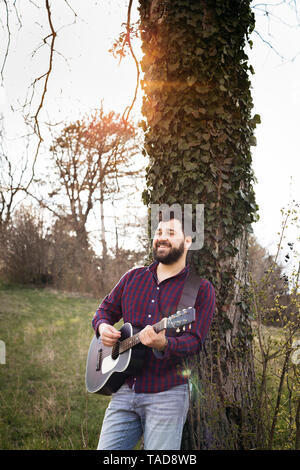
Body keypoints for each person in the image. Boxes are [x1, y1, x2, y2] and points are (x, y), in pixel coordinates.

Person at [92, 216, 215, 450]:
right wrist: (102, 327)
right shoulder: (133, 277)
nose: (161, 237)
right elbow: (104, 311)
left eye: (170, 232)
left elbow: (194, 342)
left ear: (188, 241)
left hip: (167, 394)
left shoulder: (200, 289)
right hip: (125, 389)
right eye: (158, 232)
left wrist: (164, 343)